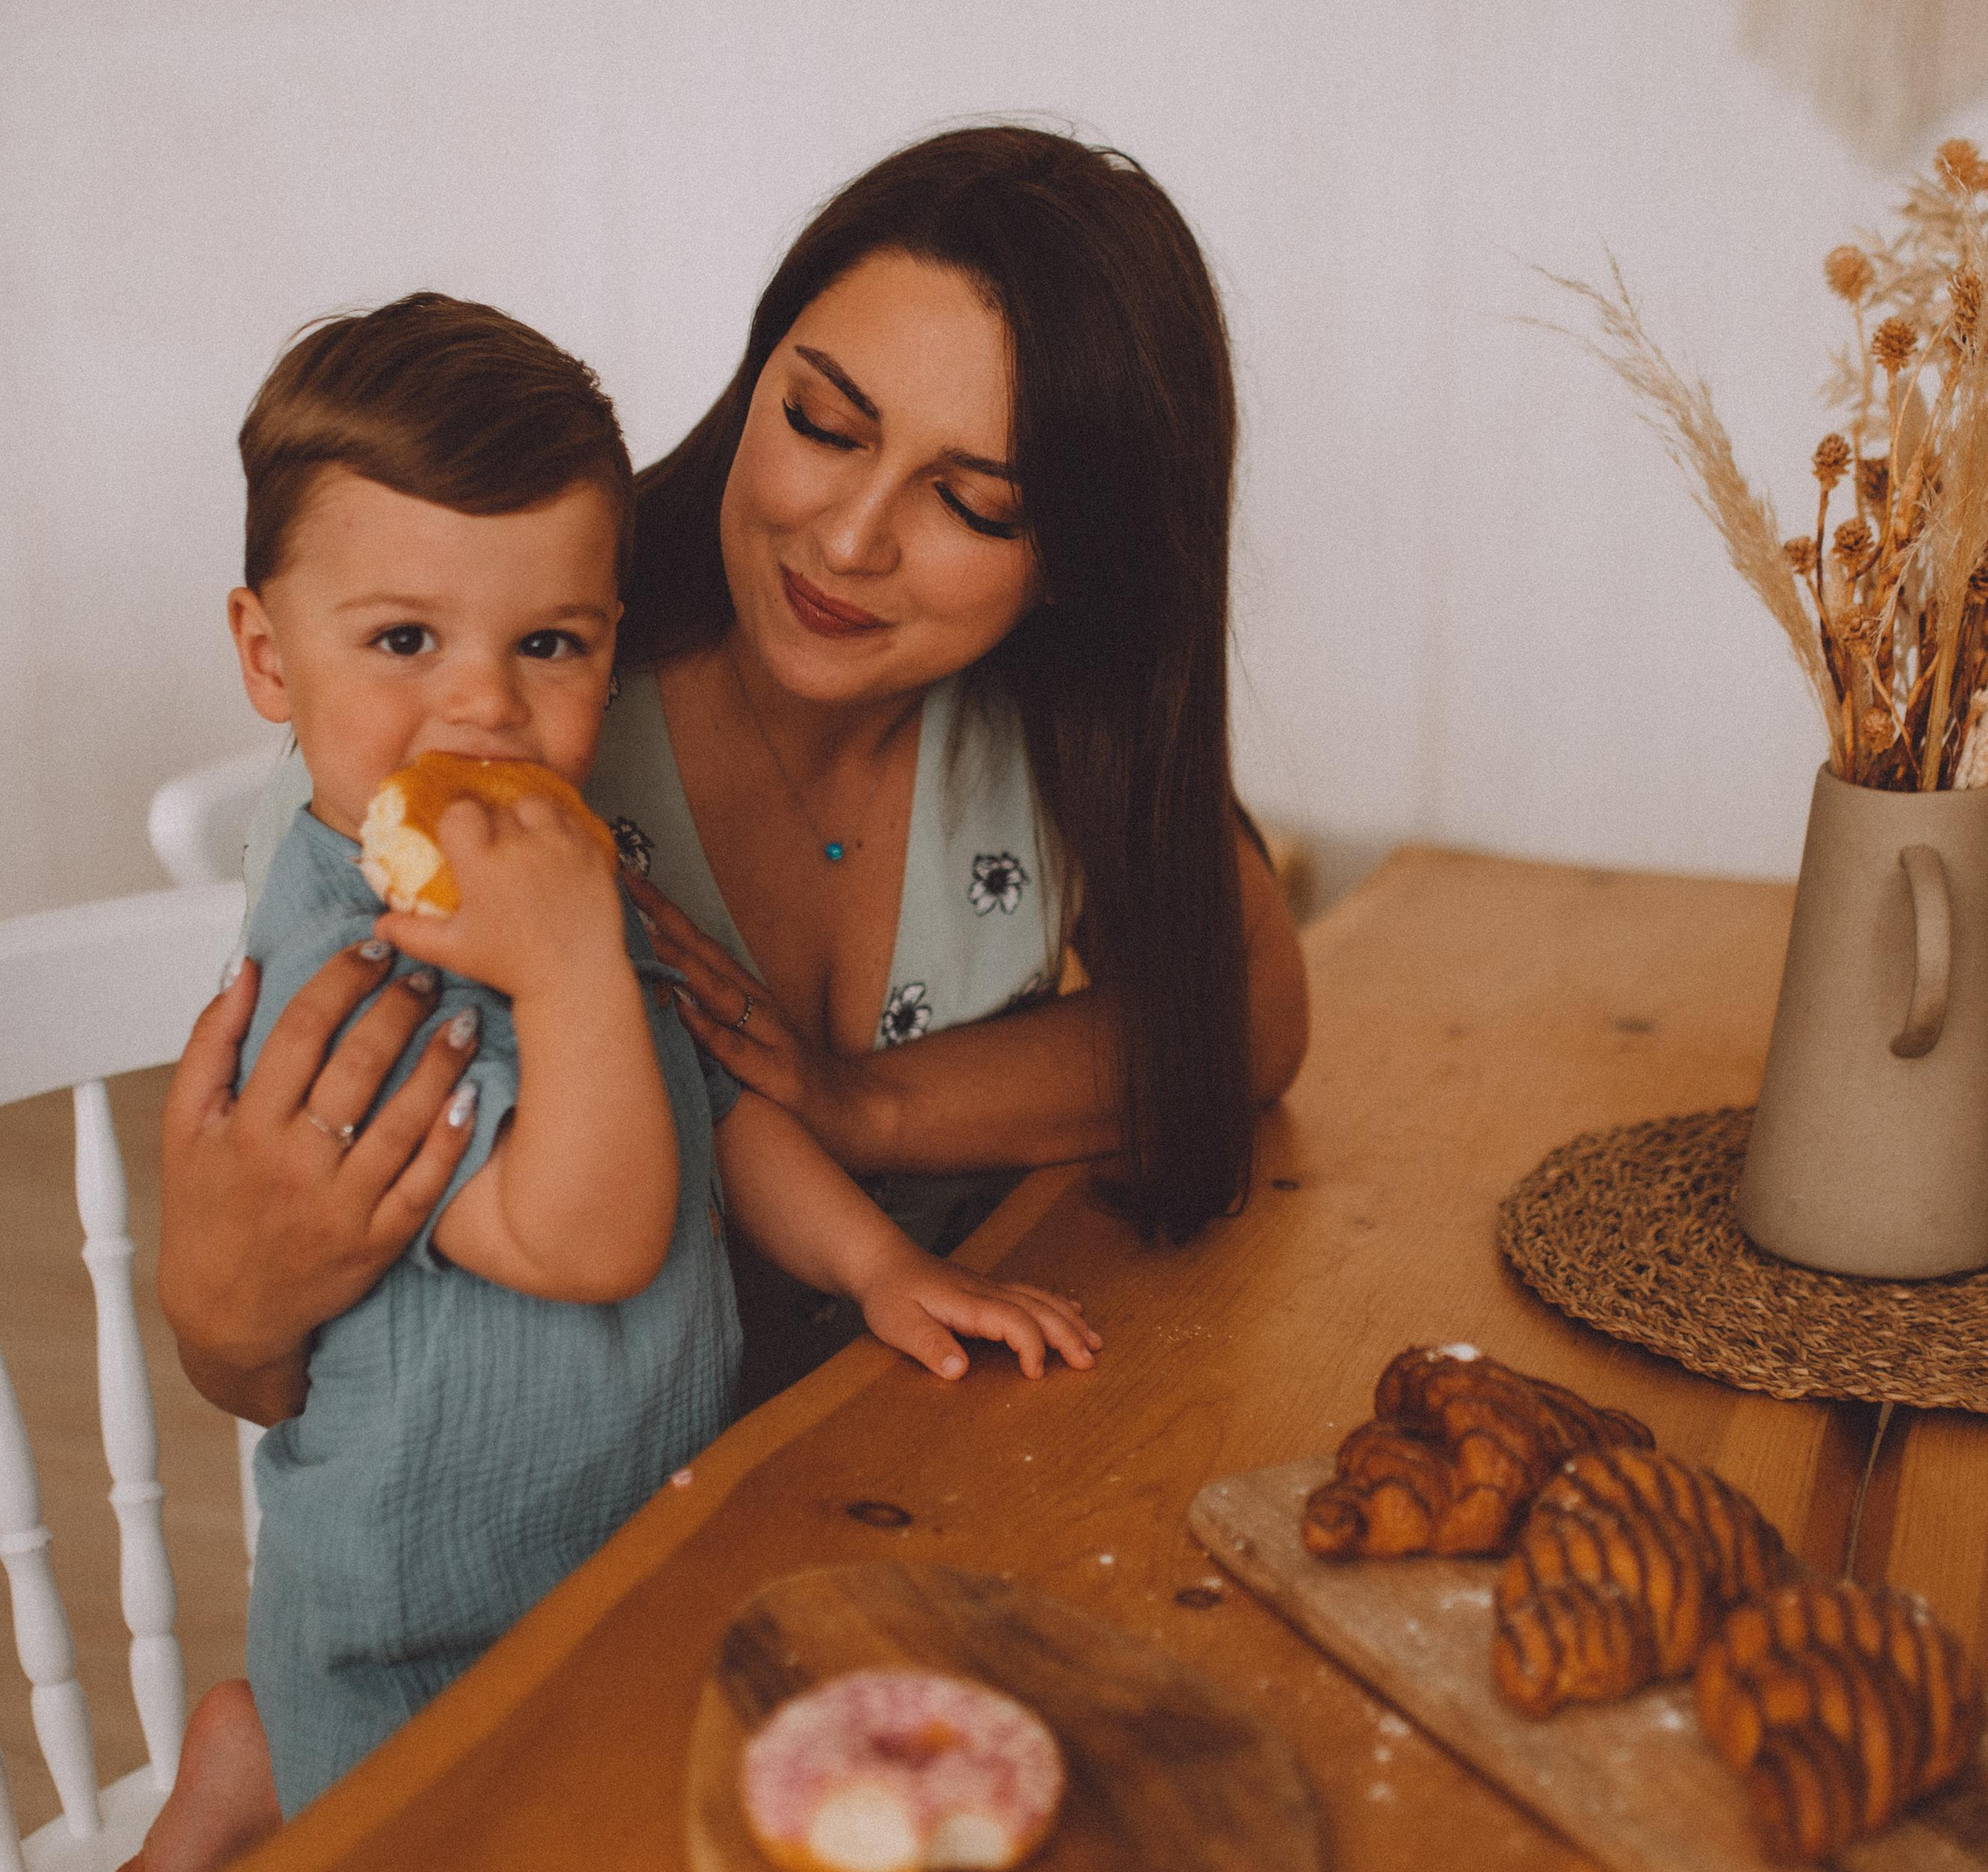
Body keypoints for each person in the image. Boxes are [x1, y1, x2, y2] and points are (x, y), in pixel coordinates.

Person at [0, 293, 1092, 1872]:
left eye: (551, 647)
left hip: (607, 1542)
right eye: (404, 642)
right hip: (431, 1614)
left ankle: (238, 1771)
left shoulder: (550, 861)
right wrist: (573, 954)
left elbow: (712, 1101)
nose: (482, 712)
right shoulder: (351, 952)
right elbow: (569, 1233)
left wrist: (877, 1262)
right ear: (270, 657)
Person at [153, 126, 1310, 1427]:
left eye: (975, 503)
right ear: (755, 378)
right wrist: (218, 1307)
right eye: (823, 424)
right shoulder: (485, 736)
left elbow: (1246, 1020)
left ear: (1088, 556)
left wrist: (866, 1109)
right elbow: (275, 1372)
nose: (852, 538)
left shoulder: (1053, 718)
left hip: (918, 1448)